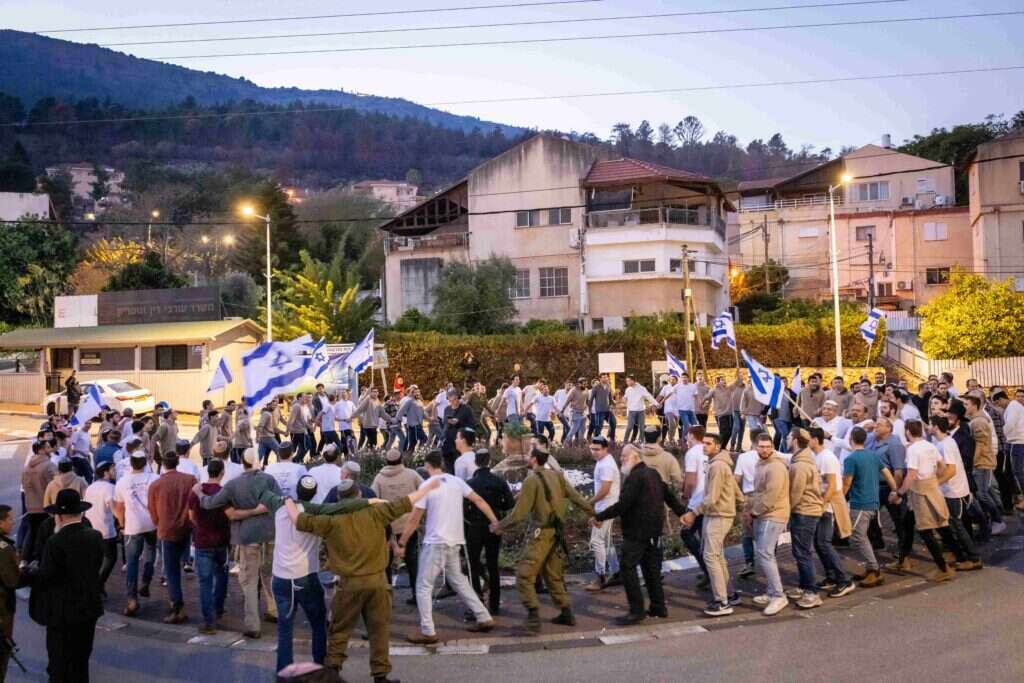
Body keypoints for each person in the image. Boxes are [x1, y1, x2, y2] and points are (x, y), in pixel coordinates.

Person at [287, 476, 442, 683]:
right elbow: (405, 503)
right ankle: (380, 676)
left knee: (340, 630)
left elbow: (298, 520)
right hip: (378, 581)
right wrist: (428, 488)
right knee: (379, 630)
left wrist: (288, 501)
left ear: (339, 499)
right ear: (359, 494)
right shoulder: (376, 513)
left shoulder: (330, 521)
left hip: (349, 584)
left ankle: (332, 672)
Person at [398, 451, 498, 644]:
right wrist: (494, 521)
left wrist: (402, 542)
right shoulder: (456, 482)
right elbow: (478, 500)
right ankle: (483, 617)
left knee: (423, 586)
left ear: (428, 466)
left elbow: (414, 518)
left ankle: (428, 631)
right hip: (455, 540)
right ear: (442, 464)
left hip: (436, 542)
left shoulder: (427, 486)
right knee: (459, 580)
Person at [493, 447, 594, 633]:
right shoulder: (557, 476)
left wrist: (500, 526)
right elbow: (576, 497)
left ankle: (533, 618)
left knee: (524, 575)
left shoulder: (531, 481)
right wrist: (594, 514)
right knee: (553, 575)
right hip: (556, 534)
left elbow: (519, 513)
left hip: (542, 534)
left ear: (533, 460)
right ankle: (566, 612)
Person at [196, 448, 281, 638]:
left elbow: (209, 503)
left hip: (247, 537)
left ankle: (253, 624)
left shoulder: (234, 485)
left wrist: (199, 494)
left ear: (242, 462)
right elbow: (278, 502)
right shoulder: (268, 480)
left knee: (249, 581)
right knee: (269, 575)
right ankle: (274, 610)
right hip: (269, 534)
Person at [599, 441, 688, 624]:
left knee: (627, 567)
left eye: (624, 457)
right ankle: (658, 606)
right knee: (651, 569)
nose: (621, 460)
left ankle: (636, 610)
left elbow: (623, 505)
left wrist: (600, 516)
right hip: (654, 530)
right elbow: (668, 495)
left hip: (637, 531)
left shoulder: (635, 477)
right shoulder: (653, 474)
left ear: (635, 457)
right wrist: (682, 513)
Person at [31, 489, 104, 683]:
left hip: (62, 612)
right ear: (80, 513)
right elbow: (96, 565)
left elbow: (47, 575)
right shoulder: (95, 536)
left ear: (60, 516)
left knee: (59, 663)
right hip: (88, 609)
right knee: (81, 660)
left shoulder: (55, 541)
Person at [682, 433, 743, 616]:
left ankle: (721, 602)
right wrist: (742, 505)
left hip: (718, 515)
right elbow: (735, 490)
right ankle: (729, 596)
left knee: (710, 557)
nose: (705, 446)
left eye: (709, 444)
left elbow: (712, 497)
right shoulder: (721, 464)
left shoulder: (716, 466)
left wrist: (693, 512)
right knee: (717, 556)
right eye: (704, 443)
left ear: (718, 446)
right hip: (721, 514)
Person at [892, 420, 957, 582]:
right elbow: (942, 467)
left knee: (926, 531)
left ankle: (943, 568)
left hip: (919, 493)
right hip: (932, 488)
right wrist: (933, 480)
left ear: (907, 432)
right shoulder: (930, 446)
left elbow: (911, 475)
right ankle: (902, 560)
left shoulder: (913, 450)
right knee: (908, 524)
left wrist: (899, 493)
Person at [842, 427, 900, 587]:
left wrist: (838, 498)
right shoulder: (873, 455)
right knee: (863, 536)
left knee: (858, 537)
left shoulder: (851, 459)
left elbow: (847, 482)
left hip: (860, 503)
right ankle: (870, 568)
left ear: (851, 440)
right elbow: (887, 473)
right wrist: (896, 490)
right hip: (873, 502)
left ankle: (874, 569)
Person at [462, 449, 514, 615]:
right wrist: (498, 509)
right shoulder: (499, 481)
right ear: (489, 461)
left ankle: (477, 602)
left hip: (475, 527)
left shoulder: (470, 484)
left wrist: (471, 517)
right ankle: (495, 604)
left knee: (474, 564)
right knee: (493, 565)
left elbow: (463, 508)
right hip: (494, 525)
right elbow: (510, 503)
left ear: (476, 462)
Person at [148, 450, 197, 624]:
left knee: (171, 571)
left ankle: (177, 606)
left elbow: (152, 512)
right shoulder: (190, 480)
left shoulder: (156, 485)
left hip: (166, 530)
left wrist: (159, 524)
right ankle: (178, 605)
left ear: (162, 464)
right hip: (186, 527)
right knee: (178, 565)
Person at [371, 449, 424, 604]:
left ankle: (388, 597)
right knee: (412, 560)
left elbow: (374, 499)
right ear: (401, 460)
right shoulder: (412, 475)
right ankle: (416, 595)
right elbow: (424, 491)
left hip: (388, 527)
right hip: (409, 524)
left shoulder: (379, 478)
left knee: (386, 563)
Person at [746, 433, 791, 616]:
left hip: (773, 515)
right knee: (765, 553)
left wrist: (754, 511)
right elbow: (759, 492)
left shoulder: (775, 467)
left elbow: (771, 496)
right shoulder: (761, 464)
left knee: (765, 553)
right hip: (764, 514)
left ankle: (779, 595)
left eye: (768, 446)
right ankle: (772, 591)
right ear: (755, 447)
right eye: (761, 446)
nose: (765, 449)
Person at [807, 427, 854, 597]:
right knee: (819, 543)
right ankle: (831, 576)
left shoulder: (827, 458)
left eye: (808, 438)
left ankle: (844, 580)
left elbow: (833, 485)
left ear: (815, 439)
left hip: (828, 506)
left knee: (824, 543)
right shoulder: (816, 456)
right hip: (822, 504)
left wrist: (821, 506)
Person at [930, 417, 983, 570]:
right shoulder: (944, 442)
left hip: (954, 491)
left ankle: (973, 558)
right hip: (950, 490)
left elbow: (951, 470)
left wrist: (936, 484)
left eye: (930, 425)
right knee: (953, 525)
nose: (928, 428)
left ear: (936, 427)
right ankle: (961, 555)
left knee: (958, 525)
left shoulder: (946, 445)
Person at [188, 459, 231, 635]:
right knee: (221, 577)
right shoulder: (224, 493)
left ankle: (209, 620)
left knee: (205, 582)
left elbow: (191, 516)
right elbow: (230, 515)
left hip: (203, 540)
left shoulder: (196, 491)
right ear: (222, 472)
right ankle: (218, 608)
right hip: (221, 540)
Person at [114, 449, 158, 616]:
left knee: (132, 562)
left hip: (132, 525)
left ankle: (132, 599)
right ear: (145, 462)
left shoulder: (123, 482)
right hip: (152, 522)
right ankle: (146, 580)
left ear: (131, 463)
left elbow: (119, 507)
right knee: (151, 552)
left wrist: (121, 524)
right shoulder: (153, 479)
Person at [786, 428, 825, 609]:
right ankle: (804, 586)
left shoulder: (800, 465)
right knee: (800, 551)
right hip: (807, 510)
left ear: (794, 440)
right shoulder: (803, 460)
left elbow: (796, 492)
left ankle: (811, 592)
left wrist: (787, 512)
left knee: (803, 552)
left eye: (788, 437)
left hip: (804, 511)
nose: (786, 438)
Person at [965, 395, 1006, 535]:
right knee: (982, 493)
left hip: (982, 463)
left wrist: (973, 462)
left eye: (967, 404)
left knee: (982, 494)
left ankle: (998, 520)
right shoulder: (975, 420)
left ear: (974, 406)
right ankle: (992, 520)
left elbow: (981, 444)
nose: (965, 407)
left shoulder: (979, 422)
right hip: (980, 462)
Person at [586, 436, 621, 592]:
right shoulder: (605, 461)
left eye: (597, 450)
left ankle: (600, 576)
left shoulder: (606, 465)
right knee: (607, 542)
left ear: (605, 449)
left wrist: (590, 502)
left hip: (606, 508)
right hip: (607, 507)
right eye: (592, 449)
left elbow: (605, 489)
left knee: (597, 541)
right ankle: (617, 571)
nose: (594, 452)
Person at [680, 426, 710, 588]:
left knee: (686, 533)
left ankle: (707, 568)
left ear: (692, 436)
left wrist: (685, 495)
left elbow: (690, 481)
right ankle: (708, 570)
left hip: (696, 501)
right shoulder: (707, 449)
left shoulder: (692, 453)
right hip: (708, 499)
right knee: (703, 536)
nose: (686, 439)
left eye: (687, 436)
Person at [83, 462, 118, 596]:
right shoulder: (110, 488)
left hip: (91, 529)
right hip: (106, 529)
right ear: (105, 472)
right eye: (112, 469)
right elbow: (113, 508)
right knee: (110, 558)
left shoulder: (90, 487)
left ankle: (96, 585)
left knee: (96, 560)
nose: (114, 471)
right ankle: (98, 584)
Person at [21, 440, 56, 555]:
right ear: (41, 450)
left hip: (31, 507)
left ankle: (26, 559)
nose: (50, 448)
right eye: (47, 447)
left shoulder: (27, 467)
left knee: (33, 534)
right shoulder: (49, 465)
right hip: (46, 507)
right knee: (47, 537)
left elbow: (24, 486)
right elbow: (56, 485)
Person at [0, 505, 21, 681]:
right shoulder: (5, 549)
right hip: (2, 608)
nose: (12, 521)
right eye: (9, 519)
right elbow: (13, 580)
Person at [639, 426, 683, 490]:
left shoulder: (636, 457)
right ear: (659, 438)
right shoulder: (669, 458)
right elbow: (678, 480)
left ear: (645, 439)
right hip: (661, 497)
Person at [623, 375, 656, 442]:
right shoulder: (628, 389)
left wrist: (656, 404)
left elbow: (649, 396)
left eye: (628, 381)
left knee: (641, 427)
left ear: (633, 381)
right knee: (629, 427)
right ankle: (625, 442)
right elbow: (625, 397)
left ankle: (642, 442)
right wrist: (624, 399)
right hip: (631, 411)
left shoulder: (642, 389)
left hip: (641, 411)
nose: (627, 382)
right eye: (626, 381)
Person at [287, 393, 313, 463]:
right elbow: (291, 419)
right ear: (299, 398)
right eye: (304, 397)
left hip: (302, 431)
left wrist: (309, 426)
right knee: (304, 447)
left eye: (306, 397)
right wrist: (287, 430)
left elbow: (303, 420)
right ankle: (293, 460)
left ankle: (295, 460)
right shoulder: (296, 406)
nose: (306, 399)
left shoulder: (301, 406)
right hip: (297, 431)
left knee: (305, 446)